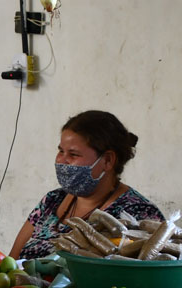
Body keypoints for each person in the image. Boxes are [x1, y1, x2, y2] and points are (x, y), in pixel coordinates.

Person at [11, 110, 164, 259]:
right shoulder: (52, 201)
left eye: (73, 154)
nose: (61, 160)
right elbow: (11, 261)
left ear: (107, 160)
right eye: (61, 151)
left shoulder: (139, 214)